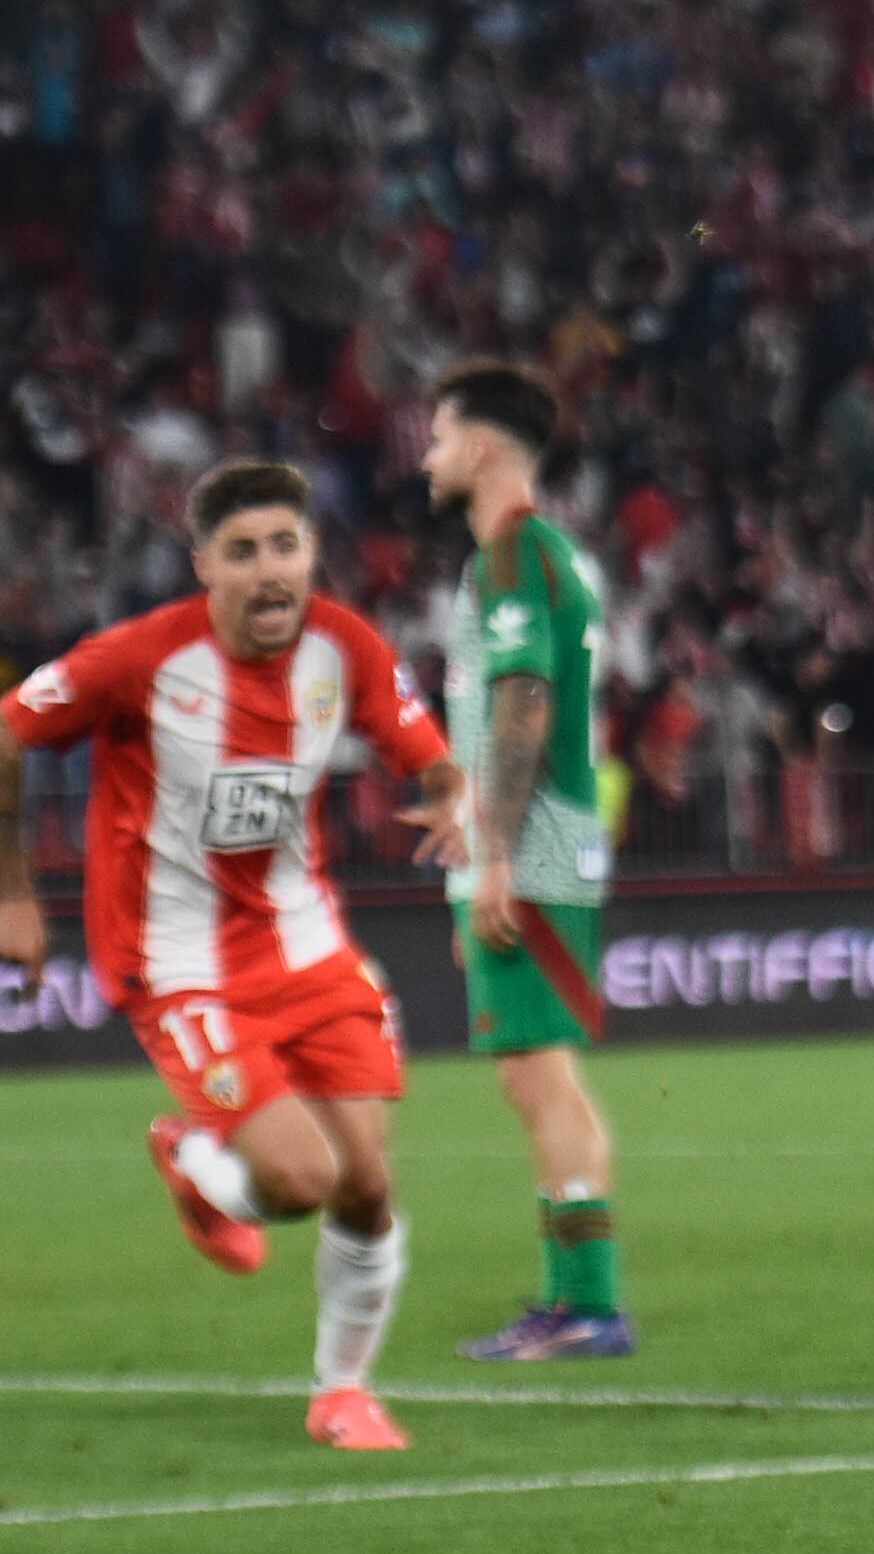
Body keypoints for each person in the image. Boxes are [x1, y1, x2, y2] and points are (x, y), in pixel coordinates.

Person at [0, 462, 466, 1449]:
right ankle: (193, 1153)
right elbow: (6, 733)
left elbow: (426, 749)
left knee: (367, 1182)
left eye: (285, 546)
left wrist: (453, 796)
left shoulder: (347, 646)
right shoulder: (137, 658)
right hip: (180, 964)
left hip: (307, 945)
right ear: (202, 562)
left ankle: (343, 1391)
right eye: (244, 550)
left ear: (313, 554)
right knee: (299, 1180)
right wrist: (11, 890)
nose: (269, 571)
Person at [424, 365, 635, 1362]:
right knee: (541, 1077)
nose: (427, 454)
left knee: (538, 1078)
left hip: (536, 846)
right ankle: (576, 1296)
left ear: (479, 447)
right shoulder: (546, 556)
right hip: (544, 842)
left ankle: (585, 1304)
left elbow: (525, 703)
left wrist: (496, 852)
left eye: (437, 435)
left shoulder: (514, 554)